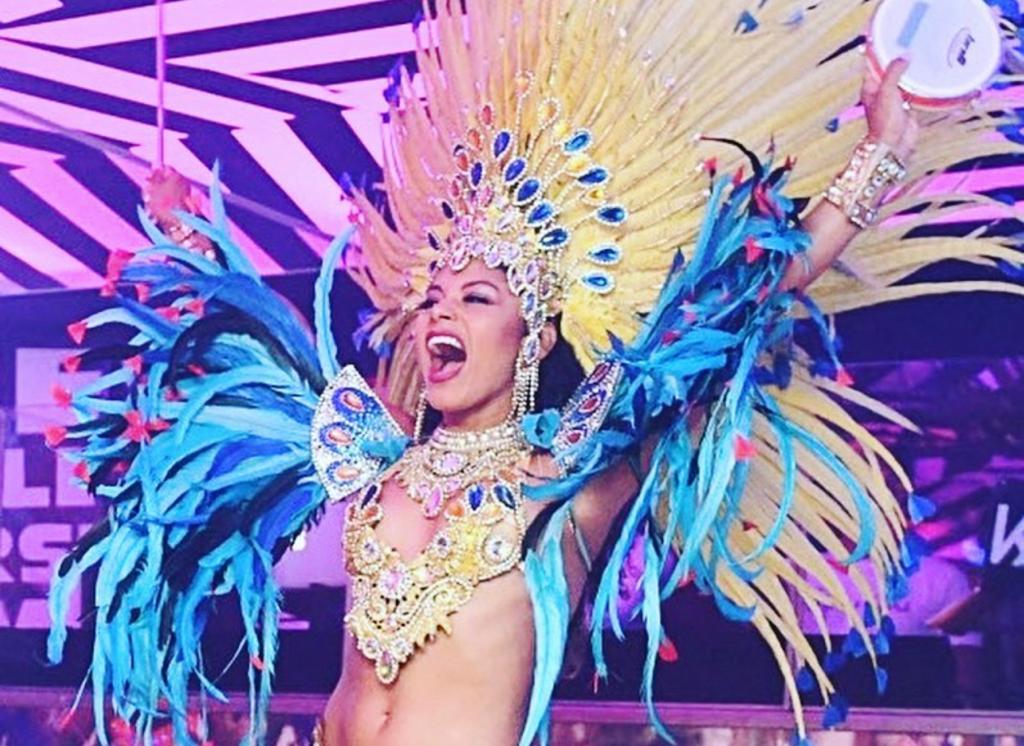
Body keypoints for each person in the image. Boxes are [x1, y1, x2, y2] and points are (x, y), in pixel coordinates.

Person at [43, 2, 1024, 746]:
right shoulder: (369, 448)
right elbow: (241, 356)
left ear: (535, 330)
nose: (439, 311)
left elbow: (738, 309)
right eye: (433, 294)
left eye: (474, 297)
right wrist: (177, 236)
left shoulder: (571, 473)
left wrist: (883, 152)